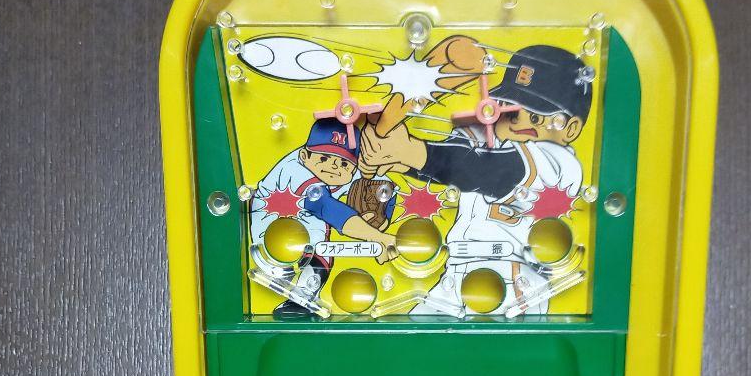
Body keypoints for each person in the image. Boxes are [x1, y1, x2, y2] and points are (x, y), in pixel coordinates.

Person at [359, 45, 591, 316]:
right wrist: (393, 158)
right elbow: (452, 168)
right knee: (411, 332)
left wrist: (410, 151)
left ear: (570, 128)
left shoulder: (559, 163)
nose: (515, 121)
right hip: (454, 272)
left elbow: (487, 170)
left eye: (535, 116)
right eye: (508, 108)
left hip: (511, 282)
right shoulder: (493, 145)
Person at [250, 118, 397, 318]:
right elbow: (325, 206)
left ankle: (302, 298)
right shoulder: (295, 169)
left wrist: (381, 223)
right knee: (316, 236)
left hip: (303, 223)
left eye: (344, 163)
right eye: (325, 158)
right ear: (305, 155)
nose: (334, 166)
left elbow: (388, 187)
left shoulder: (343, 173)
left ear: (353, 168)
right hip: (269, 224)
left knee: (319, 244)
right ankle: (297, 294)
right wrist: (376, 237)